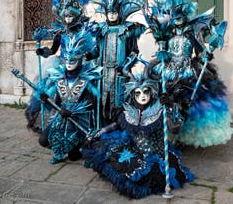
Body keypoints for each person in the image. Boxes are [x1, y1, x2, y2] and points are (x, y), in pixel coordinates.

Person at [82, 57, 194, 199]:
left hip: (155, 154)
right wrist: (100, 132)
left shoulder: (160, 110)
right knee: (106, 151)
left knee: (145, 175)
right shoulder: (129, 110)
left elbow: (175, 128)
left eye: (145, 92)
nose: (142, 96)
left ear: (151, 92)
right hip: (134, 149)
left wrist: (170, 106)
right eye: (138, 93)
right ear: (133, 94)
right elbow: (118, 124)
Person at [144, 0, 233, 147]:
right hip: (168, 68)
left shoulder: (191, 34)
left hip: (187, 69)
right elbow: (163, 50)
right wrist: (161, 48)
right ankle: (166, 133)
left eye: (180, 18)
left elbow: (200, 50)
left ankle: (184, 135)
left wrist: (205, 56)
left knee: (188, 100)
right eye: (175, 18)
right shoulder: (168, 33)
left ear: (184, 18)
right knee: (164, 96)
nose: (178, 21)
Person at [25, 0, 95, 132]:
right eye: (66, 16)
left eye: (71, 16)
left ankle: (80, 124)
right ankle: (54, 123)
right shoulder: (60, 33)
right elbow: (53, 49)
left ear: (76, 15)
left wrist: (88, 56)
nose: (68, 19)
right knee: (50, 91)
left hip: (80, 66)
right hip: (61, 65)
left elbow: (91, 50)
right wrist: (43, 52)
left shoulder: (83, 32)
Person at [37, 29, 102, 164]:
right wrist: (45, 100)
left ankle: (75, 149)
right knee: (43, 140)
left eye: (72, 60)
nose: (69, 62)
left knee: (75, 154)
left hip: (79, 119)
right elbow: (56, 103)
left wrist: (73, 112)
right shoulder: (59, 78)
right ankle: (62, 148)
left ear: (79, 59)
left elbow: (92, 103)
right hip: (62, 117)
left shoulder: (87, 79)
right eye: (66, 59)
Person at [90, 0, 146, 123]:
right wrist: (89, 56)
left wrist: (125, 66)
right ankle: (102, 126)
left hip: (119, 73)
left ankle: (119, 126)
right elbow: (96, 50)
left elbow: (134, 51)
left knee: (119, 102)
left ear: (119, 12)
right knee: (102, 101)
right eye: (110, 12)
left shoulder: (127, 29)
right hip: (103, 73)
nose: (112, 15)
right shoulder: (100, 30)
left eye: (114, 12)